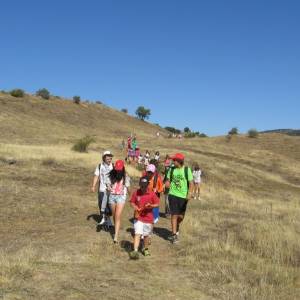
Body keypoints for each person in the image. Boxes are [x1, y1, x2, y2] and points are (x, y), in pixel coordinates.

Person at [165, 153, 193, 244]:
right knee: (174, 215)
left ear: (179, 161)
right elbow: (168, 180)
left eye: (175, 160)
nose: (173, 162)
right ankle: (174, 235)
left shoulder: (187, 170)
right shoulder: (171, 170)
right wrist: (167, 184)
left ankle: (176, 226)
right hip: (172, 195)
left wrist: (189, 193)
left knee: (181, 217)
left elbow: (191, 183)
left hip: (183, 197)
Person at [129, 177, 159, 259]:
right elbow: (131, 202)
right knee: (137, 233)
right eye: (142, 186)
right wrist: (135, 207)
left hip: (148, 218)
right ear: (140, 185)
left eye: (145, 186)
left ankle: (145, 249)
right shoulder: (136, 193)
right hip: (138, 217)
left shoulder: (152, 193)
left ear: (148, 185)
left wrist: (151, 206)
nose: (143, 188)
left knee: (146, 236)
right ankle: (135, 251)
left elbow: (157, 203)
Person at [107, 160, 130, 243]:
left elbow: (127, 187)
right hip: (112, 197)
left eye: (119, 169)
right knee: (114, 215)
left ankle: (115, 236)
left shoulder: (126, 176)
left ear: (122, 168)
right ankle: (116, 225)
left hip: (121, 197)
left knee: (117, 215)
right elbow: (108, 184)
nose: (118, 170)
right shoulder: (111, 175)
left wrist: (131, 197)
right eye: (117, 169)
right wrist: (108, 187)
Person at [91, 151, 114, 227]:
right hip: (102, 189)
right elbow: (96, 176)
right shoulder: (99, 166)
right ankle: (105, 219)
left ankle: (108, 218)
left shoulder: (113, 166)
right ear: (104, 158)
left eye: (110, 157)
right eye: (108, 157)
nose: (110, 159)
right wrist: (93, 186)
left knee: (110, 206)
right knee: (102, 205)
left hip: (111, 190)